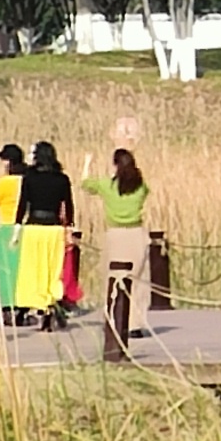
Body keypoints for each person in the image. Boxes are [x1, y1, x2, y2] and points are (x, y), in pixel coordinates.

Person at [12, 137, 76, 327]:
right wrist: (69, 228)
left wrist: (17, 230)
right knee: (52, 269)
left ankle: (37, 304)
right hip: (54, 228)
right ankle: (49, 304)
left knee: (33, 269)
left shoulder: (30, 178)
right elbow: (68, 205)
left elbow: (23, 204)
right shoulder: (62, 179)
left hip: (33, 228)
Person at [97, 139, 151, 340]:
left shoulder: (107, 186)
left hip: (115, 234)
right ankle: (136, 322)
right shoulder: (141, 187)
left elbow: (86, 183)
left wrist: (89, 166)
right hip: (136, 233)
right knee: (138, 279)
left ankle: (113, 317)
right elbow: (146, 190)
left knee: (113, 278)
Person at [0, 142, 27, 320]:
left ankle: (7, 306)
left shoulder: (3, 183)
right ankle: (22, 306)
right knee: (23, 268)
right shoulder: (28, 179)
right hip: (26, 227)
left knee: (5, 269)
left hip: (5, 226)